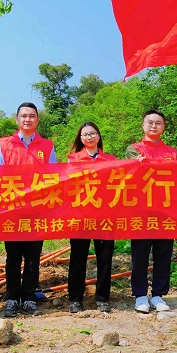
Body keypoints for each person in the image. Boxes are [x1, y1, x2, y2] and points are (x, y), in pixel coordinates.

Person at [0, 102, 57, 317]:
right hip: (12, 210)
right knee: (12, 256)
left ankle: (28, 297)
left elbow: (53, 176)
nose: (27, 119)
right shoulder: (4, 144)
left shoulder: (47, 146)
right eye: (24, 116)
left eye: (32, 116)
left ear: (37, 119)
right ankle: (12, 298)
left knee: (33, 256)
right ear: (17, 120)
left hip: (37, 209)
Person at [126, 111, 177, 314]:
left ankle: (158, 295)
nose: (154, 126)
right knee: (140, 254)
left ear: (163, 127)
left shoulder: (171, 152)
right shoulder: (134, 149)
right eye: (150, 122)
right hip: (141, 209)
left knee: (163, 253)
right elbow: (131, 171)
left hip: (165, 209)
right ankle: (140, 295)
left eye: (158, 123)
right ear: (143, 125)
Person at [67, 122, 117, 313]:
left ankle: (102, 297)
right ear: (80, 139)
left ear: (98, 136)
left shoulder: (110, 160)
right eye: (85, 134)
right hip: (80, 215)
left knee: (105, 257)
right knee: (78, 257)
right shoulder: (72, 160)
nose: (89, 137)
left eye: (92, 133)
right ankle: (75, 298)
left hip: (105, 215)